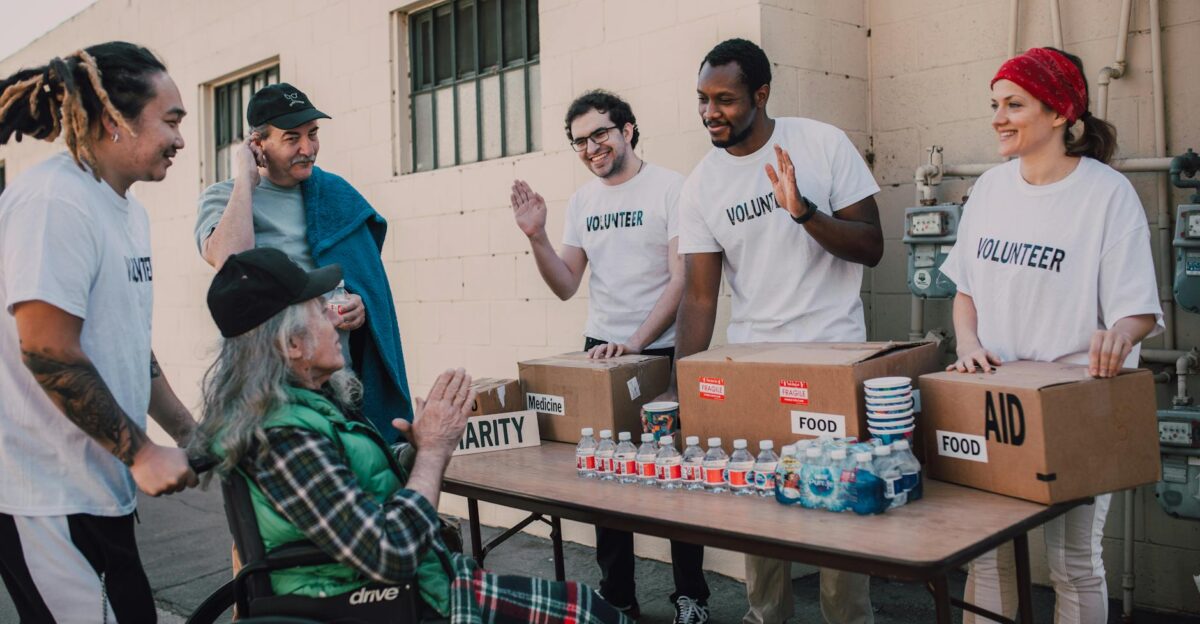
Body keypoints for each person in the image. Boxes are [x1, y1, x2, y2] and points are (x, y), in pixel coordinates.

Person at [193, 247, 629, 623]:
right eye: (320, 310)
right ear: (292, 344)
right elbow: (390, 554)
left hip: (406, 587)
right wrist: (433, 452)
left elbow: (357, 485)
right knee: (589, 614)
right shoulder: (284, 437)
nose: (335, 317)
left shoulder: (302, 409)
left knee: (590, 606)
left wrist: (413, 449)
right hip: (380, 603)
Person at [941, 47, 1162, 624]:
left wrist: (1119, 335)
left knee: (1073, 563)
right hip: (994, 398)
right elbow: (965, 292)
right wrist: (968, 344)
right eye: (995, 104)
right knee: (986, 558)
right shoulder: (990, 188)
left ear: (1061, 112)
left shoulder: (1106, 194)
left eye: (1014, 105)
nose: (998, 118)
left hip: (1075, 402)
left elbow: (1138, 311)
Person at [666, 38, 884, 624]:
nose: (710, 112)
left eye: (725, 99)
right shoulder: (701, 185)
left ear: (761, 95)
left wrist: (803, 212)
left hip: (833, 356)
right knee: (762, 510)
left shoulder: (821, 143)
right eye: (703, 99)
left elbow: (872, 246)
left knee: (839, 509)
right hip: (754, 365)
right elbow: (700, 296)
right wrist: (681, 388)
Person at [0, 42, 198, 623]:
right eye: (171, 121)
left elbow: (127, 341)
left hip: (102, 489)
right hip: (46, 498)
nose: (181, 140)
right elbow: (47, 350)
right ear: (114, 121)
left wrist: (186, 430)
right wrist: (142, 453)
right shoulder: (54, 202)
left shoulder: (128, 211)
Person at [510, 89, 708, 622]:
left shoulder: (671, 188)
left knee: (674, 479)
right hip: (601, 354)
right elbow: (566, 284)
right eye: (580, 141)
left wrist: (638, 342)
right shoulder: (583, 202)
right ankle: (618, 597)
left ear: (627, 130)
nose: (591, 147)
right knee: (606, 476)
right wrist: (537, 237)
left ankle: (691, 596)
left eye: (600, 133)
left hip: (660, 353)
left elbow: (683, 279)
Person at [194, 83, 413, 441]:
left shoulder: (335, 194)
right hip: (270, 388)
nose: (307, 149)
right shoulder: (225, 198)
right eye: (291, 138)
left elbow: (364, 279)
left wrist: (362, 305)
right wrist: (245, 180)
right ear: (258, 143)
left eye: (312, 134)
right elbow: (231, 261)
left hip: (342, 384)